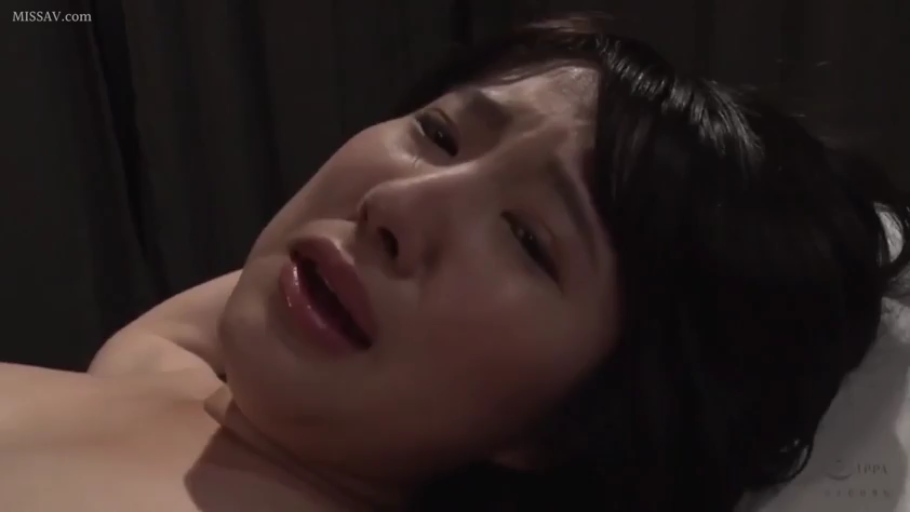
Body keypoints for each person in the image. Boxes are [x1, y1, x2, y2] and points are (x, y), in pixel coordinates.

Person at [2, 12, 908, 512]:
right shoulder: (166, 376)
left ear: (574, 424)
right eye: (438, 135)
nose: (396, 204)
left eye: (529, 240)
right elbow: (223, 306)